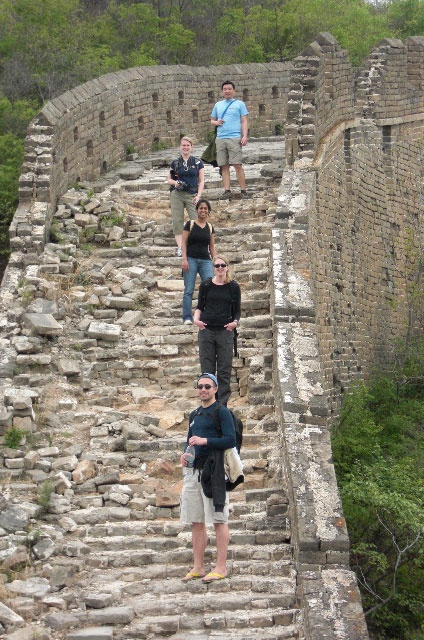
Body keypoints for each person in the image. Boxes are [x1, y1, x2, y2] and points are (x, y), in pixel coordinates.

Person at [180, 373, 236, 583]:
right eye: (200, 386)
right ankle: (198, 567)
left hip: (214, 472)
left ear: (215, 389)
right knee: (196, 520)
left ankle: (221, 567)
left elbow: (230, 440)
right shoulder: (194, 414)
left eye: (207, 386)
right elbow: (189, 441)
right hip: (193, 472)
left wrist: (205, 441)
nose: (203, 389)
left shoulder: (222, 412)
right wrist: (184, 455)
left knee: (219, 519)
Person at [193, 256, 241, 406]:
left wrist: (235, 323)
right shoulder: (206, 285)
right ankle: (208, 404)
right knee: (207, 370)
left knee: (224, 370)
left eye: (222, 265)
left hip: (225, 332)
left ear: (227, 267)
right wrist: (196, 320)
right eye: (217, 265)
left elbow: (237, 311)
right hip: (206, 331)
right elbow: (200, 306)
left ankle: (221, 406)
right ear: (213, 268)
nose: (220, 268)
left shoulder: (234, 287)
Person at [210, 80, 249, 200]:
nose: (227, 91)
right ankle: (227, 190)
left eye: (229, 89)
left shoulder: (240, 104)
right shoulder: (218, 105)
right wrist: (216, 122)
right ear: (222, 91)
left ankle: (243, 190)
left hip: (234, 137)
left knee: (237, 165)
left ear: (234, 90)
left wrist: (244, 136)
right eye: (225, 89)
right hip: (221, 138)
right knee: (224, 166)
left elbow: (244, 120)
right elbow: (212, 120)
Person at [167, 136, 204, 257]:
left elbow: (201, 180)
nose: (185, 147)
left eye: (188, 145)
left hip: (191, 194)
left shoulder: (198, 162)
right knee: (177, 220)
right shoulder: (175, 162)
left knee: (195, 219)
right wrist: (176, 183)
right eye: (183, 145)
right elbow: (169, 179)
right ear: (180, 147)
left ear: (191, 147)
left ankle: (194, 245)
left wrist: (199, 195)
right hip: (177, 194)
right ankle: (180, 247)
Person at [181, 198, 216, 325]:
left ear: (208, 211)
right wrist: (184, 259)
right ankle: (187, 317)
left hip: (206, 260)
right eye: (201, 208)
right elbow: (183, 243)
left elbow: (211, 247)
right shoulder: (190, 224)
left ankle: (207, 314)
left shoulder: (210, 227)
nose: (203, 210)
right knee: (189, 289)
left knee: (210, 287)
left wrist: (215, 262)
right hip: (191, 259)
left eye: (205, 208)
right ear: (197, 210)